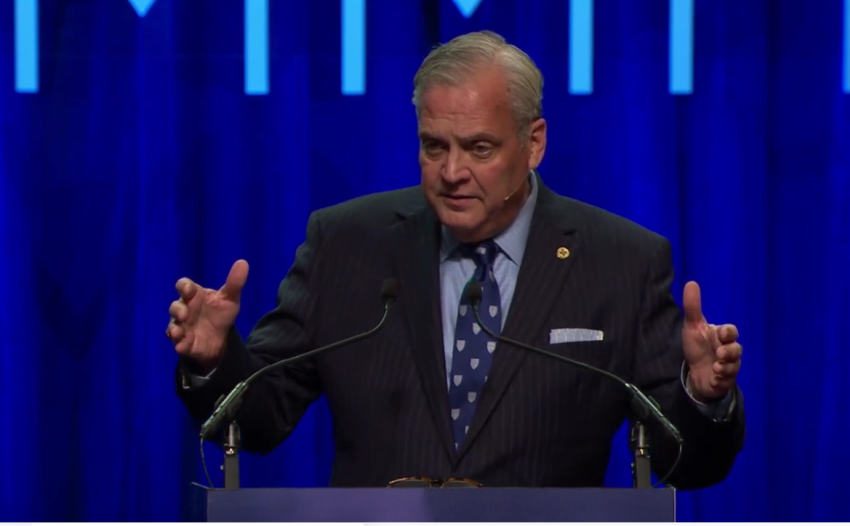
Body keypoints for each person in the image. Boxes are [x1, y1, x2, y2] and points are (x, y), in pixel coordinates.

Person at [168, 30, 745, 488]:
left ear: (534, 143)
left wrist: (702, 396)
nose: (451, 173)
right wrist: (215, 359)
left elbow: (686, 464)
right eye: (433, 146)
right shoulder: (346, 243)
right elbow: (259, 418)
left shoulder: (622, 262)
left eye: (480, 148)